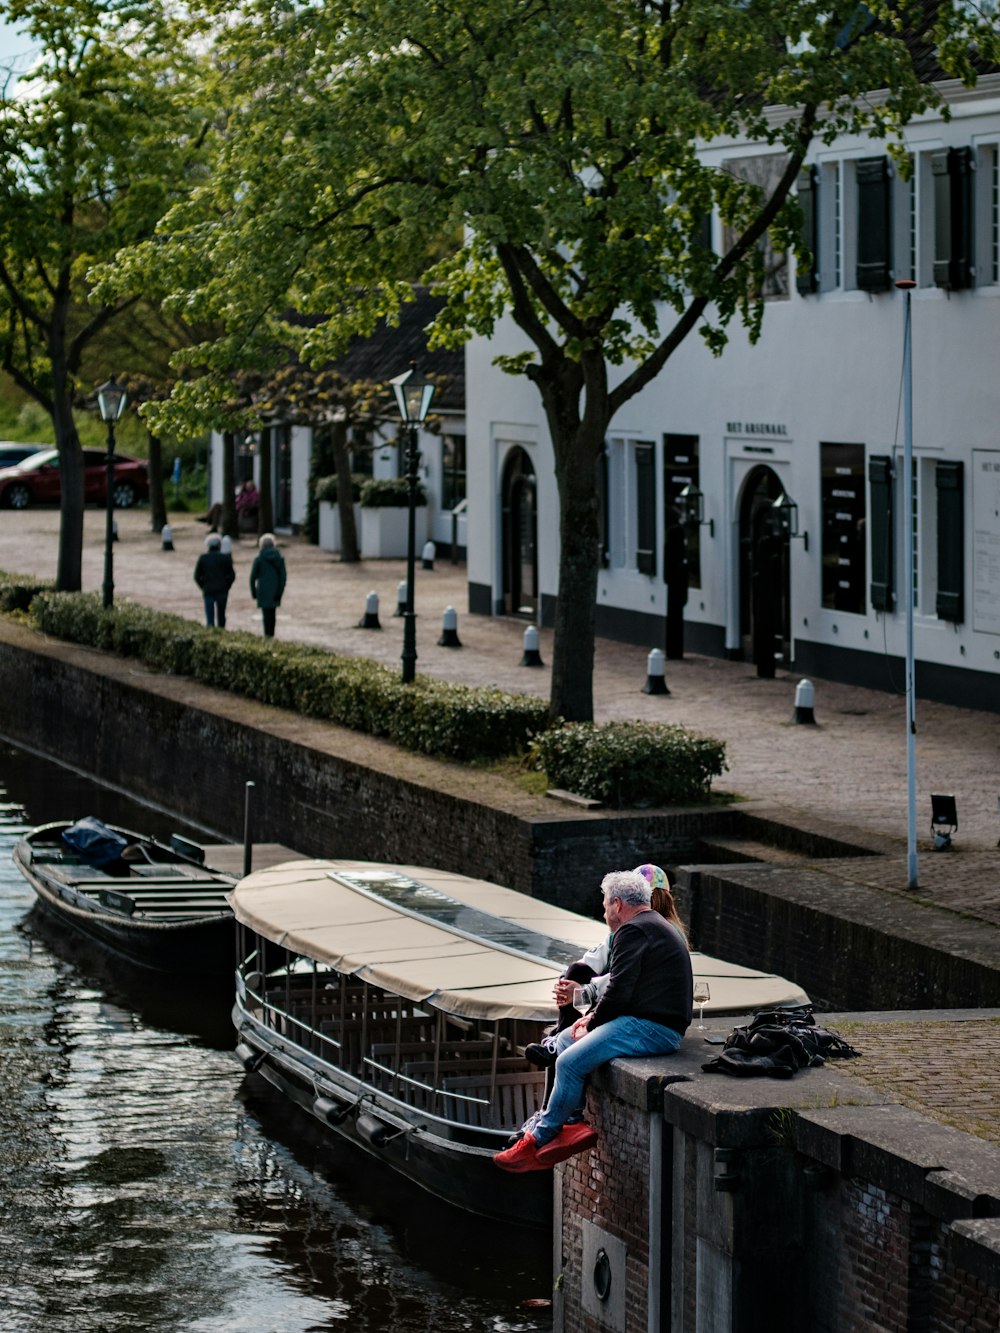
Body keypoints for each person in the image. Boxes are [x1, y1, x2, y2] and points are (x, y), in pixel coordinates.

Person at [494, 868, 692, 1172]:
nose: (603, 913)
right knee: (563, 1039)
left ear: (617, 904)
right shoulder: (648, 925)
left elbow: (619, 990)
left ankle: (538, 1139)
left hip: (654, 1028)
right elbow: (623, 988)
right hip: (647, 1020)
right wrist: (587, 1023)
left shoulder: (632, 930)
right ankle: (571, 1121)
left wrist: (591, 1022)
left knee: (567, 1062)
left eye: (603, 906)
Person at [524, 863, 686, 1069]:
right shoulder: (632, 928)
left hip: (642, 1009)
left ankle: (558, 1046)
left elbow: (625, 979)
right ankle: (558, 1040)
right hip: (626, 1001)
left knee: (567, 1064)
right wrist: (568, 981)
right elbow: (595, 960)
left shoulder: (647, 930)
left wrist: (586, 992)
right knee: (577, 970)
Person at [193, 533, 236, 628]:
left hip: (208, 590)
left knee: (210, 618)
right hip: (222, 590)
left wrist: (203, 586)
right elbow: (232, 575)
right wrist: (227, 586)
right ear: (219, 545)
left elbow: (196, 576)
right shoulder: (225, 558)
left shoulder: (203, 558)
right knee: (221, 616)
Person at [249, 533, 286, 638]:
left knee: (266, 615)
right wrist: (280, 592)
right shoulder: (279, 558)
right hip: (275, 590)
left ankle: (267, 636)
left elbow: (252, 578)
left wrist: (254, 592)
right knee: (272, 614)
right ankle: (272, 635)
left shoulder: (259, 559)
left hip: (263, 591)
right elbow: (283, 577)